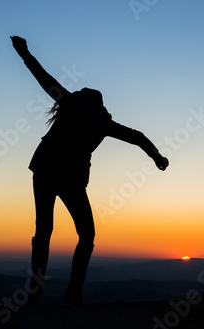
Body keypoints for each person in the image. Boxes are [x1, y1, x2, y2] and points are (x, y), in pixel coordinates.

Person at [10, 36, 169, 306]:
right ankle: (70, 292)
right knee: (83, 234)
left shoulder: (71, 105)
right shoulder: (100, 122)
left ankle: (40, 292)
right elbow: (138, 136)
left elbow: (43, 77)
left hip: (47, 171)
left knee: (46, 230)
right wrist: (156, 156)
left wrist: (23, 52)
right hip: (64, 177)